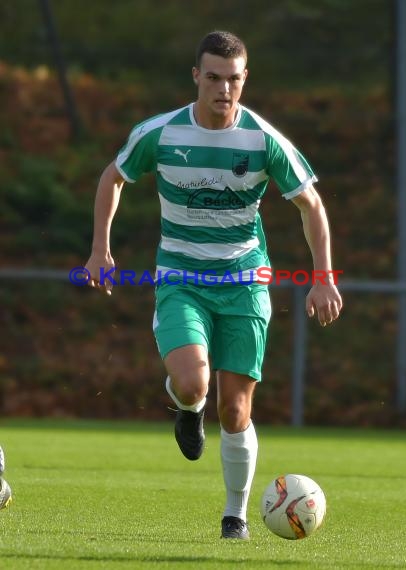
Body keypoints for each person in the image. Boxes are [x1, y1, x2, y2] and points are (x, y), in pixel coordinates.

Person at [84, 30, 342, 540]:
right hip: (181, 277)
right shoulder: (161, 133)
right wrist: (100, 249)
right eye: (214, 77)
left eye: (234, 79)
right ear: (196, 76)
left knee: (235, 408)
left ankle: (235, 516)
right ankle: (186, 407)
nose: (224, 89)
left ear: (245, 80)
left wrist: (323, 277)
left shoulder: (263, 139)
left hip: (245, 282)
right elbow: (112, 177)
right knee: (192, 384)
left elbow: (311, 204)